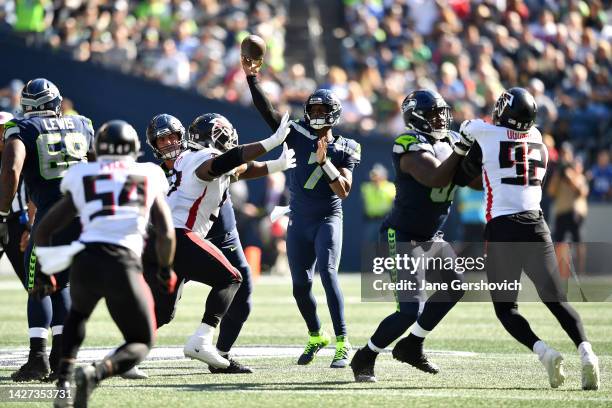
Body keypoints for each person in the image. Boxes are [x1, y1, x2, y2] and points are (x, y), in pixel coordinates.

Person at [459, 87, 599, 390]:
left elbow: (466, 128)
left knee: (506, 308)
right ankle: (587, 353)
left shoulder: (486, 133)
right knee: (557, 301)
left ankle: (545, 352)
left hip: (502, 229)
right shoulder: (539, 141)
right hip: (536, 226)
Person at [33, 120, 176, 408]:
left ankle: (63, 383)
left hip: (86, 260)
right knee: (141, 340)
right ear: (134, 148)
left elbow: (44, 229)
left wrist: (46, 271)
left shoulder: (83, 174)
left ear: (98, 148)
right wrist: (164, 269)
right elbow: (166, 232)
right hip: (123, 263)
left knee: (77, 315)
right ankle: (96, 373)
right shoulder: (148, 174)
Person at [141, 112, 295, 373]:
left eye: (172, 138)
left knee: (165, 310)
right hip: (180, 235)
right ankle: (201, 340)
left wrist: (274, 166)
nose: (168, 144)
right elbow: (228, 161)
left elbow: (238, 167)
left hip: (179, 237)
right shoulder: (200, 159)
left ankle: (124, 353)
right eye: (161, 140)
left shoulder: (190, 158)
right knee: (230, 278)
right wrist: (270, 142)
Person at [350, 89, 475, 382]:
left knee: (455, 286)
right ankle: (365, 356)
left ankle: (412, 345)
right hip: (402, 236)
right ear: (417, 117)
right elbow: (434, 177)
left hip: (432, 236)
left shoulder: (452, 141)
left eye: (443, 113)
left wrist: (480, 154)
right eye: (433, 114)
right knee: (409, 310)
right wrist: (461, 152)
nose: (441, 119)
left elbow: (475, 183)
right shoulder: (408, 143)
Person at [244, 57, 361, 368]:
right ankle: (315, 335)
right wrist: (252, 78)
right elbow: (268, 112)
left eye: (324, 110)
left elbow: (344, 191)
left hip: (327, 218)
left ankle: (342, 340)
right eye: (314, 110)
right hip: (299, 220)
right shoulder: (297, 132)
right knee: (300, 286)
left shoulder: (347, 146)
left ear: (335, 114)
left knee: (329, 274)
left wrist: (325, 163)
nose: (318, 114)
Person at [0, 79, 95, 382]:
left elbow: (12, 169)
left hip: (51, 218)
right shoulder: (82, 123)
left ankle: (38, 358)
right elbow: (96, 164)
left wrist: (3, 215)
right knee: (63, 285)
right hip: (81, 215)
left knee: (40, 283)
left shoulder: (22, 128)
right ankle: (61, 359)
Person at [0, 111, 30, 287]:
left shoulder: (24, 154)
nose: (1, 135)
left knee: (33, 283)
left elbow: (35, 194)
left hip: (18, 222)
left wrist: (31, 227)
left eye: (4, 130)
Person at [360, 163, 395, 243]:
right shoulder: (366, 187)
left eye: (377, 175)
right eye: (373, 175)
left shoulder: (391, 187)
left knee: (389, 245)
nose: (375, 177)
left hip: (387, 221)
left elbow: (394, 204)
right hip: (371, 221)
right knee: (370, 245)